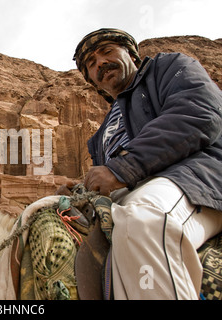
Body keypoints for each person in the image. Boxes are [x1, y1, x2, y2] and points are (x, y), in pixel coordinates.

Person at [62, 28, 222, 299]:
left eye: (108, 51)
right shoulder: (102, 132)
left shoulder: (169, 68)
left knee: (142, 219)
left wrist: (121, 168)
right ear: (91, 79)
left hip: (195, 180)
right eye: (91, 64)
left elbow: (200, 114)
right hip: (137, 191)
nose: (100, 63)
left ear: (131, 54)